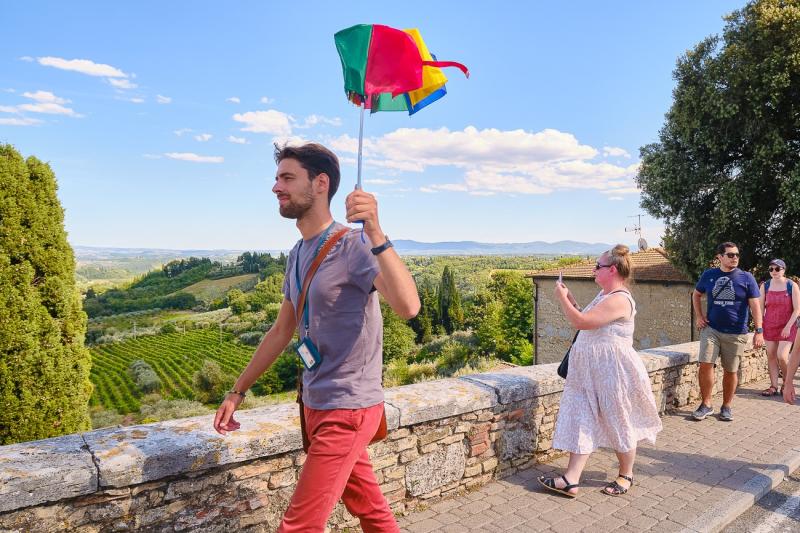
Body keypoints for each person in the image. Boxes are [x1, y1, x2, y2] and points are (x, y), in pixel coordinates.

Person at [213, 142, 419, 533]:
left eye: (287, 178)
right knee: (370, 509)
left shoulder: (354, 246)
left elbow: (408, 306)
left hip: (349, 406)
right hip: (315, 403)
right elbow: (280, 332)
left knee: (298, 526)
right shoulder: (297, 253)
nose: (276, 187)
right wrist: (236, 391)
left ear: (320, 184)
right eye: (277, 178)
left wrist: (374, 229)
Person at [537, 245, 662, 498]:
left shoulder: (618, 298)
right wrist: (571, 299)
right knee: (581, 417)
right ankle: (570, 479)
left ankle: (626, 475)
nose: (594, 269)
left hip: (612, 372)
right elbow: (589, 318)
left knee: (618, 421)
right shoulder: (605, 294)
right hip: (589, 371)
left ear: (612, 269)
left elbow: (581, 322)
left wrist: (561, 299)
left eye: (598, 266)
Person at [691, 242, 763, 422]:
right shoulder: (709, 275)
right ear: (720, 257)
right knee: (705, 364)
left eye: (737, 255)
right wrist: (699, 316)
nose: (735, 258)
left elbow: (755, 306)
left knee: (731, 371)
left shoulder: (746, 278)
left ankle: (726, 406)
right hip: (711, 329)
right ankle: (706, 404)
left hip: (736, 332)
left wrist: (759, 331)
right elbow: (696, 294)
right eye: (730, 255)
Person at [758, 259, 798, 397]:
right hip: (769, 325)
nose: (774, 272)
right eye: (771, 269)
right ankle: (774, 386)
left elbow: (797, 309)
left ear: (784, 270)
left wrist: (787, 327)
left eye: (777, 269)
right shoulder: (765, 286)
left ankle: (787, 384)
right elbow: (760, 308)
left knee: (782, 355)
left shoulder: (791, 285)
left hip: (788, 326)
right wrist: (760, 327)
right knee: (771, 356)